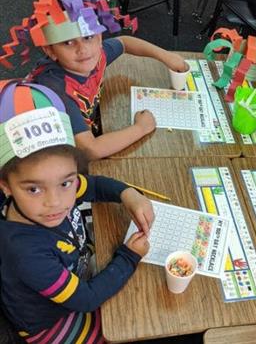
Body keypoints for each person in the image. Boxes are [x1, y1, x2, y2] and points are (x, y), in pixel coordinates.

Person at [0, 80, 154, 341]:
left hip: (75, 276)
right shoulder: (26, 254)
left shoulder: (56, 188)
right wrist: (128, 256)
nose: (56, 202)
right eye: (34, 189)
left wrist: (128, 194)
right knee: (134, 324)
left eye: (66, 183)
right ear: (6, 187)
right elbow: (85, 299)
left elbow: (93, 185)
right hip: (49, 324)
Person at [0, 0, 186, 160]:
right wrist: (141, 128)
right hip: (42, 158)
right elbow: (91, 150)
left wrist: (166, 56)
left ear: (99, 38)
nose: (83, 50)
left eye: (88, 37)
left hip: (83, 131)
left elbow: (125, 42)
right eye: (68, 43)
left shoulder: (97, 55)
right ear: (50, 51)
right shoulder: (56, 89)